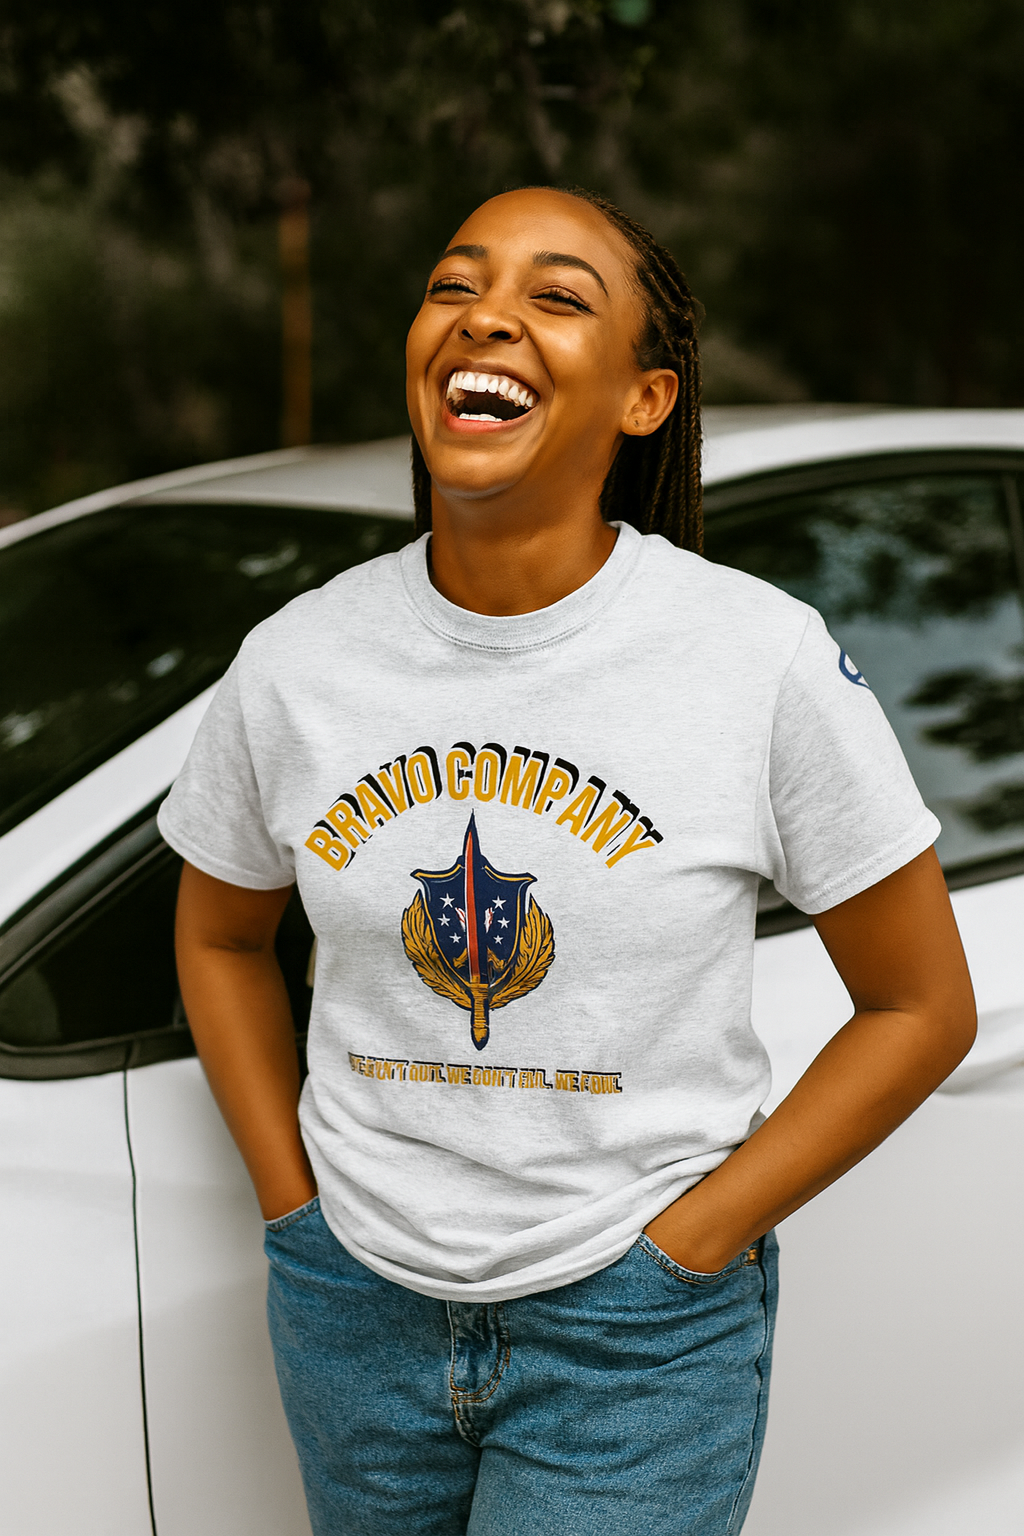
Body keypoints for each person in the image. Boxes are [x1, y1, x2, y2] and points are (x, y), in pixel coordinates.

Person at [159, 186, 976, 1536]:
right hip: (353, 1308)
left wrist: (694, 1244)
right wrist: (294, 1211)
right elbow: (218, 935)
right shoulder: (299, 661)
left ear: (645, 399)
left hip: (634, 1332)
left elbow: (919, 1006)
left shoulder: (751, 660)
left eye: (557, 296)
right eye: (454, 285)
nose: (487, 315)